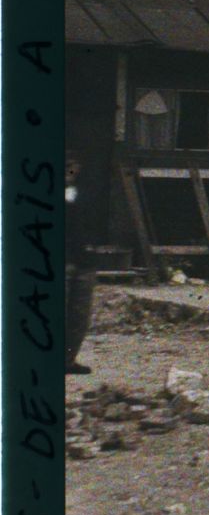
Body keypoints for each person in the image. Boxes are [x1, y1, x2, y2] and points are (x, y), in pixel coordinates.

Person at [65, 154, 95, 375]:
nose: (71, 172)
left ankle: (67, 360)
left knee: (79, 317)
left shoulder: (83, 194)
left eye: (74, 167)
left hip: (83, 263)